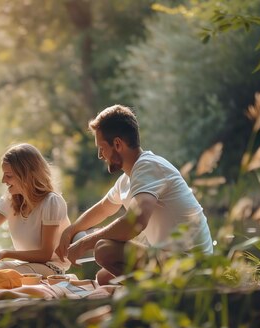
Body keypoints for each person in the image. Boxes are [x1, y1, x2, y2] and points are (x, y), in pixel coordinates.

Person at [55, 105, 213, 285]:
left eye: (101, 148)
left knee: (104, 250)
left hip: (191, 265)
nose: (100, 155)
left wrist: (84, 244)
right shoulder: (128, 178)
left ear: (117, 144)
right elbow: (103, 208)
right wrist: (71, 230)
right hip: (170, 260)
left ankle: (155, 295)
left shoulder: (148, 167)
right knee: (103, 277)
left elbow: (136, 221)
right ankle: (148, 289)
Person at [0, 143, 71, 277]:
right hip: (24, 264)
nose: (3, 180)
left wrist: (6, 253)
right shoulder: (12, 198)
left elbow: (45, 254)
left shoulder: (51, 202)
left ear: (27, 175)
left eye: (8, 175)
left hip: (50, 267)